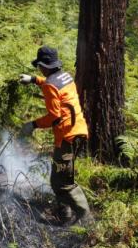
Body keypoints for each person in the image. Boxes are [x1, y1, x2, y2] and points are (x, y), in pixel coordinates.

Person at [19, 46, 93, 225]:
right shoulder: (65, 77)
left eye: (39, 67)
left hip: (68, 137)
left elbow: (54, 116)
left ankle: (88, 221)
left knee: (63, 183)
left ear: (44, 65)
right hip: (78, 131)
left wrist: (33, 125)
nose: (39, 69)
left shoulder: (51, 85)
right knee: (59, 179)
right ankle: (65, 215)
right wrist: (34, 80)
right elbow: (52, 83)